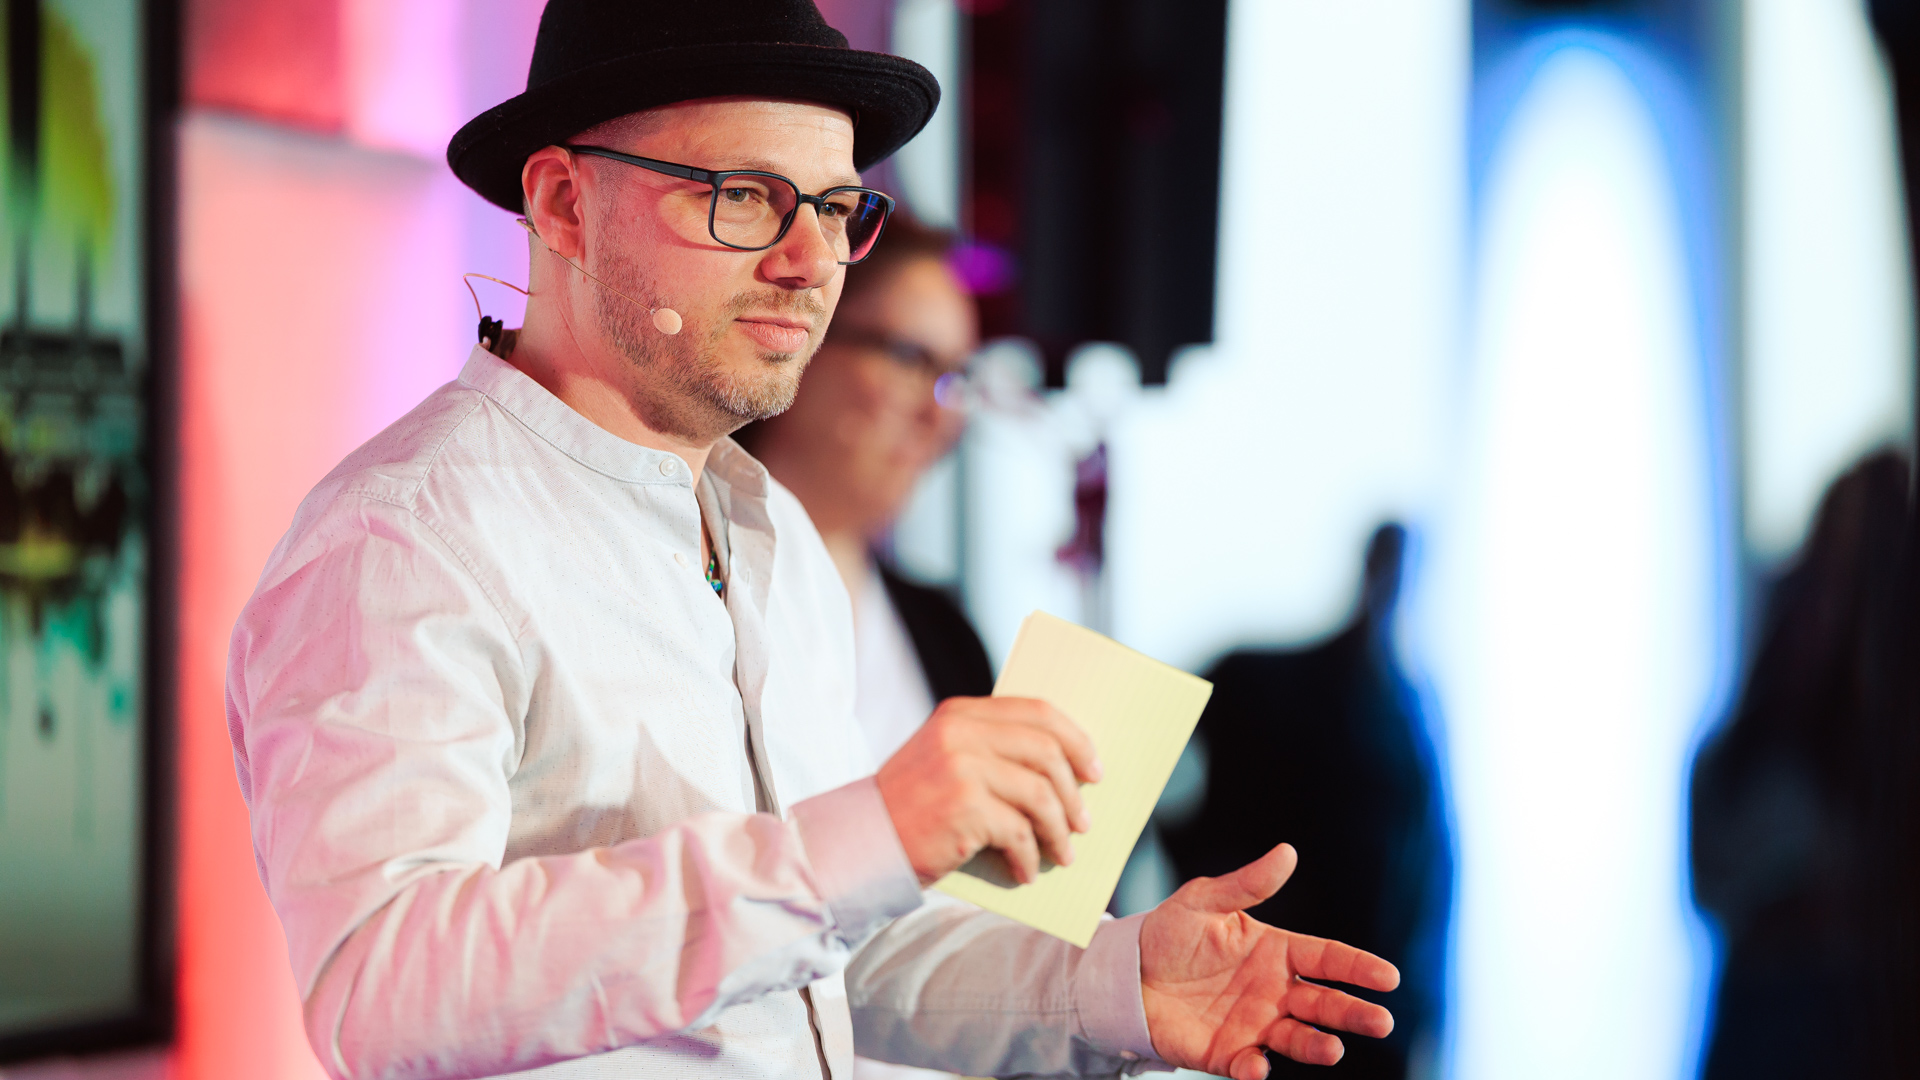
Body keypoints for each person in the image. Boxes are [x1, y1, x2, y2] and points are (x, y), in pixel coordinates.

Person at [223, 4, 1398, 1080]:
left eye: (836, 210)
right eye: (743, 195)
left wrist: (1109, 987)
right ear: (565, 204)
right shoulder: (406, 539)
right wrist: (871, 836)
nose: (808, 261)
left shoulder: (765, 526)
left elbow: (821, 962)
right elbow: (384, 989)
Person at [740, 215, 993, 759]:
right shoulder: (693, 581)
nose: (938, 416)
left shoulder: (945, 633)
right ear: (805, 333)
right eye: (910, 359)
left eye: (955, 378)